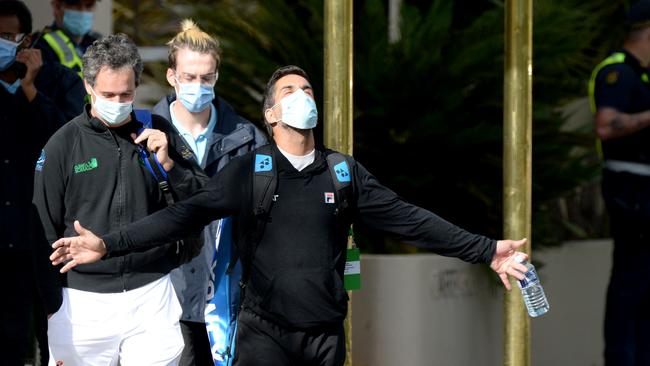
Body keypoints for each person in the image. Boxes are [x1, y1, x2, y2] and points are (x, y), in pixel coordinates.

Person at [49, 65, 530, 366]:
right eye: (290, 90)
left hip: (325, 337)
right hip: (264, 337)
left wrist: (487, 250)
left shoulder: (343, 172)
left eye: (307, 88)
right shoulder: (251, 172)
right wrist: (108, 243)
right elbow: (184, 216)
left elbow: (410, 218)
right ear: (272, 115)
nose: (304, 95)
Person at [32, 33, 208, 366]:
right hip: (81, 302)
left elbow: (203, 203)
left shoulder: (158, 131)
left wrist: (171, 167)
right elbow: (41, 231)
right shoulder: (62, 145)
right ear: (88, 87)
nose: (117, 101)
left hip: (152, 293)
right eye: (107, 94)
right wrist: (54, 307)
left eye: (126, 94)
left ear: (137, 86)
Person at [155, 19, 267, 366]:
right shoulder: (144, 136)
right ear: (172, 76)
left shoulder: (247, 139)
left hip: (227, 299)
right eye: (189, 77)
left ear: (216, 77)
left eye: (207, 77)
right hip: (163, 296)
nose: (198, 85)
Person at [0, 0, 85, 364]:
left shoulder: (58, 80)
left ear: (26, 39)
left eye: (7, 36)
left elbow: (73, 142)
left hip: (47, 240)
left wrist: (30, 89)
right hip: (2, 243)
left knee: (58, 343)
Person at [588, 1, 650, 364]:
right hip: (630, 187)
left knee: (644, 285)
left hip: (642, 186)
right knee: (631, 280)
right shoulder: (617, 72)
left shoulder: (641, 73)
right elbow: (605, 124)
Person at [34, 0, 101, 78]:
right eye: (74, 4)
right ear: (56, 6)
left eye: (89, 5)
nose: (82, 11)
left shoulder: (98, 42)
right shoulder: (40, 45)